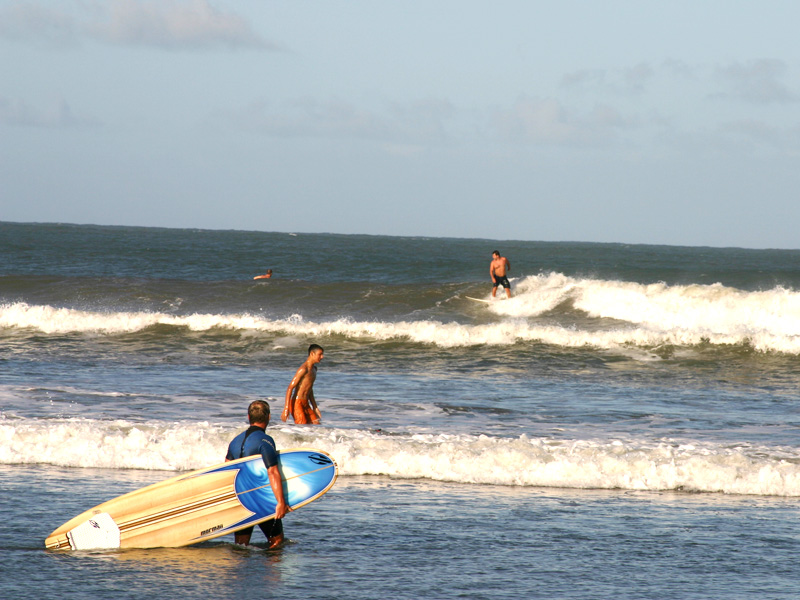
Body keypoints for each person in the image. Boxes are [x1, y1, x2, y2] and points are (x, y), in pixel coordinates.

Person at [225, 400, 290, 548]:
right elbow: (272, 471)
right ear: (269, 417)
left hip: (240, 499)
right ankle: (269, 571)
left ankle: (242, 571)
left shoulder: (235, 441)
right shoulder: (265, 441)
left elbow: (226, 470)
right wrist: (281, 502)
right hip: (260, 499)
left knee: (241, 546)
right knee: (277, 542)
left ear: (248, 417)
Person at [282, 344, 324, 425]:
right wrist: (286, 409)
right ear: (312, 354)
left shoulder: (314, 369)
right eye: (320, 354)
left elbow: (309, 389)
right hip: (296, 403)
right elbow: (290, 388)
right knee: (302, 427)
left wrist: (315, 407)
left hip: (306, 403)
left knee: (316, 425)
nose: (322, 357)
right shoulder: (303, 369)